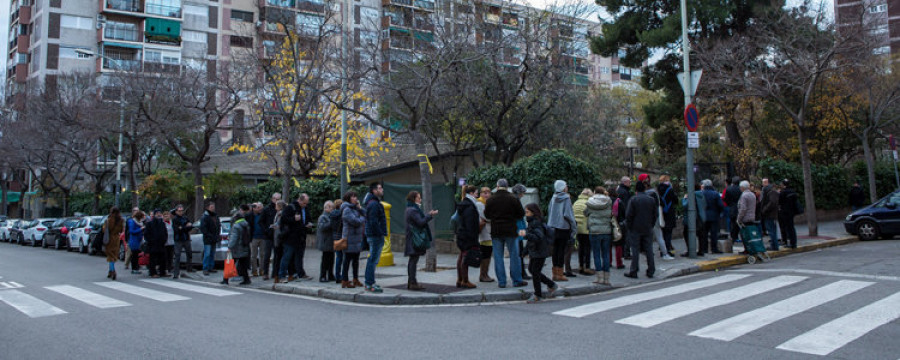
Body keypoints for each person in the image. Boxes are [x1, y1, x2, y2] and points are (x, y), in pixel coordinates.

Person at [484, 179, 527, 288]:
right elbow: (521, 214)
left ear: (497, 187)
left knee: (498, 257)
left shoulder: (491, 199)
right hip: (511, 230)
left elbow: (487, 215)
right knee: (514, 256)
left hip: (496, 231)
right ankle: (517, 280)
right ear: (507, 187)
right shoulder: (513, 198)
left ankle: (502, 282)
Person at [523, 203, 558, 303]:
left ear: (533, 212)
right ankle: (551, 284)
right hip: (536, 251)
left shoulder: (536, 223)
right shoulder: (532, 222)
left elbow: (539, 237)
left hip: (539, 251)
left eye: (527, 212)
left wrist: (526, 235)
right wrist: (525, 251)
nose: (526, 214)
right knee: (532, 270)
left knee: (535, 272)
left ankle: (538, 295)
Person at [624, 181, 658, 279]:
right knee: (649, 249)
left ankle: (634, 270)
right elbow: (655, 214)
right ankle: (651, 270)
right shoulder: (651, 200)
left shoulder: (633, 200)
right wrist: (651, 224)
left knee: (635, 250)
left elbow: (629, 215)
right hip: (647, 227)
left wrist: (629, 227)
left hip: (635, 228)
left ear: (636, 190)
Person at [405, 191, 437, 291]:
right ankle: (412, 282)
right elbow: (420, 222)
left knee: (413, 260)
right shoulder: (413, 210)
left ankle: (412, 281)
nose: (420, 199)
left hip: (412, 237)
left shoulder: (410, 209)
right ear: (414, 199)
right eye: (419, 198)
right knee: (413, 260)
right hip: (415, 239)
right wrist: (429, 215)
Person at [584, 187, 613, 285]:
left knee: (596, 254)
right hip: (606, 231)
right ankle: (606, 279)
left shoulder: (590, 202)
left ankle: (599, 278)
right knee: (605, 254)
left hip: (594, 231)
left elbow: (585, 213)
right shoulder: (608, 201)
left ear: (595, 192)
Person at [362, 183, 388, 293]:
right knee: (373, 259)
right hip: (375, 236)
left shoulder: (373, 203)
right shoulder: (374, 204)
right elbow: (373, 221)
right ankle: (369, 283)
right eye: (379, 188)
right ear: (374, 190)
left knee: (373, 259)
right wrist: (380, 233)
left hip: (374, 235)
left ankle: (369, 282)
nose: (382, 190)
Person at [280, 195, 310, 282]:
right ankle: (281, 275)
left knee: (299, 257)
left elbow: (306, 219)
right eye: (304, 203)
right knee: (287, 256)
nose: (305, 205)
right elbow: (283, 219)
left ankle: (300, 273)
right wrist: (294, 218)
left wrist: (308, 224)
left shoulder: (305, 208)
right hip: (290, 237)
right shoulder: (290, 207)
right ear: (299, 200)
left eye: (306, 203)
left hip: (301, 236)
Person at [455, 186, 481, 289]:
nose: (477, 195)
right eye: (476, 193)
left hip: (461, 234)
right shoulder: (470, 206)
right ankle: (465, 281)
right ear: (471, 193)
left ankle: (459, 279)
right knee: (465, 257)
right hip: (467, 235)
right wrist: (473, 237)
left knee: (461, 256)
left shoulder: (464, 204)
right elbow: (470, 223)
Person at [340, 191, 366, 288]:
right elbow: (355, 221)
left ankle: (355, 279)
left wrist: (360, 208)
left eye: (356, 197)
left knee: (356, 260)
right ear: (349, 198)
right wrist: (362, 218)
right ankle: (345, 280)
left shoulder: (355, 208)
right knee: (347, 260)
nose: (356, 199)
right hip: (349, 239)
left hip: (357, 239)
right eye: (353, 197)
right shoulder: (346, 209)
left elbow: (365, 215)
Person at [225, 211, 252, 285]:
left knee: (229, 262)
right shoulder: (246, 225)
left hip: (236, 248)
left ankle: (225, 279)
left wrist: (229, 247)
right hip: (244, 246)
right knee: (243, 264)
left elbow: (234, 238)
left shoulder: (236, 226)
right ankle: (246, 279)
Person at [681, 183, 708, 257]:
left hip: (691, 218)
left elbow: (685, 205)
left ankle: (690, 250)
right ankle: (701, 250)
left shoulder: (691, 195)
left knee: (686, 234)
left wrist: (684, 198)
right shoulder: (701, 195)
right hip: (701, 217)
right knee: (700, 235)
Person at [573, 188, 594, 276]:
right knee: (587, 248)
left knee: (580, 247)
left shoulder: (576, 202)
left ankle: (580, 265)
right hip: (586, 228)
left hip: (577, 228)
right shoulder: (589, 203)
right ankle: (587, 267)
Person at [260, 193, 281, 281]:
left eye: (279, 199)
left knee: (277, 255)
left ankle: (275, 273)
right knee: (267, 255)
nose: (277, 201)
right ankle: (265, 273)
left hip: (277, 235)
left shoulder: (280, 210)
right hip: (268, 236)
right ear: (272, 199)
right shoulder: (266, 209)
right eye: (276, 199)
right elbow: (261, 222)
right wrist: (266, 230)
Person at [511, 184, 531, 280]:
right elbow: (520, 216)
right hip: (518, 229)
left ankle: (521, 272)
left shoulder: (513, 200)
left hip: (518, 229)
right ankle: (521, 273)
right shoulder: (516, 201)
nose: (523, 195)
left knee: (519, 251)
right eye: (522, 193)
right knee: (519, 252)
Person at [475, 187, 494, 283]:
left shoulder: (487, 204)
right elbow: (487, 217)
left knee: (487, 254)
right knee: (486, 255)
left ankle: (485, 274)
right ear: (480, 194)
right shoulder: (479, 204)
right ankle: (483, 275)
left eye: (488, 193)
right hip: (484, 233)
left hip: (488, 232)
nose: (486, 195)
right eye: (484, 193)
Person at [702, 180, 725, 254]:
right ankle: (714, 248)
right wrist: (719, 212)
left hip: (704, 216)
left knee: (704, 234)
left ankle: (704, 248)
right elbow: (721, 205)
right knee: (714, 233)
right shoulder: (715, 194)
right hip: (714, 215)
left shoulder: (701, 193)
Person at [657, 175, 678, 257]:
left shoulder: (658, 190)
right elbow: (675, 201)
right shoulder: (670, 189)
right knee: (668, 233)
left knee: (662, 232)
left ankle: (662, 250)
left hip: (661, 212)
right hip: (669, 212)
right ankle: (667, 250)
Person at [171, 205, 193, 279]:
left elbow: (190, 226)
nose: (181, 212)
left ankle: (189, 268)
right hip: (178, 239)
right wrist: (185, 227)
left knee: (189, 253)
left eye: (182, 211)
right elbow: (177, 230)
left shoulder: (185, 218)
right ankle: (176, 272)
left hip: (186, 238)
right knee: (177, 256)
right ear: (176, 211)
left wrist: (183, 227)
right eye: (179, 211)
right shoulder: (175, 220)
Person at [145, 209, 169, 278]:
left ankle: (162, 272)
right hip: (153, 244)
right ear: (154, 215)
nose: (159, 215)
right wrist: (151, 241)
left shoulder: (162, 223)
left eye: (160, 213)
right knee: (153, 259)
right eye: (157, 213)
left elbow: (165, 233)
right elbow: (146, 234)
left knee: (163, 259)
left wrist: (164, 240)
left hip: (161, 244)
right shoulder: (150, 223)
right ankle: (153, 272)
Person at [316, 201, 336, 283]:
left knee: (331, 259)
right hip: (325, 241)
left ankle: (330, 274)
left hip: (330, 241)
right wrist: (331, 222)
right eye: (331, 207)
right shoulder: (323, 217)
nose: (333, 209)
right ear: (327, 207)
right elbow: (322, 227)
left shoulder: (330, 216)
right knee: (325, 260)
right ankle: (323, 276)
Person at [200, 201, 221, 276]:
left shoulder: (215, 216)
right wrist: (209, 235)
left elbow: (218, 226)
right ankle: (205, 268)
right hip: (208, 238)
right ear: (207, 207)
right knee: (207, 253)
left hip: (214, 238)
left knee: (212, 253)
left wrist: (217, 235)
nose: (213, 208)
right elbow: (203, 228)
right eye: (211, 207)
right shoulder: (205, 217)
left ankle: (210, 267)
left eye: (213, 207)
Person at [103, 207, 124, 280]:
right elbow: (121, 230)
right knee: (114, 254)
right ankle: (110, 271)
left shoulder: (109, 219)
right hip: (117, 239)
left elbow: (105, 229)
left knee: (110, 256)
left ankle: (113, 271)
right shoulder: (121, 220)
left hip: (109, 239)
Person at [778, 179, 800, 249]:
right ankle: (794, 243)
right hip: (792, 212)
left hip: (785, 212)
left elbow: (779, 202)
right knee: (792, 227)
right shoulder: (793, 191)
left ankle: (790, 243)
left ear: (783, 185)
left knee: (787, 228)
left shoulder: (783, 193)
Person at [737, 181, 758, 249]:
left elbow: (743, 208)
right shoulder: (752, 194)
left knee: (745, 235)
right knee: (751, 234)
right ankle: (753, 247)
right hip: (752, 216)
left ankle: (747, 249)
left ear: (742, 187)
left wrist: (739, 219)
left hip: (745, 218)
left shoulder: (744, 195)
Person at [760, 179, 780, 250]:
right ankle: (774, 245)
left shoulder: (770, 192)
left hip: (769, 214)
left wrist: (764, 209)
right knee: (772, 230)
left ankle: (774, 246)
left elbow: (772, 202)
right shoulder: (768, 191)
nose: (763, 184)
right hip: (769, 214)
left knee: (771, 230)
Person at [616, 176, 633, 259]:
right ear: (625, 182)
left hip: (619, 217)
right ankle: (626, 253)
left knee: (622, 236)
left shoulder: (619, 190)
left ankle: (623, 252)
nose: (630, 184)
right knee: (627, 236)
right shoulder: (625, 192)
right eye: (629, 182)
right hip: (624, 217)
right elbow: (627, 205)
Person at [271, 200, 287, 284]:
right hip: (279, 238)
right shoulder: (279, 214)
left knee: (278, 258)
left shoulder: (279, 214)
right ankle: (278, 275)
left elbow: (278, 226)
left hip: (278, 238)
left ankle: (276, 275)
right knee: (279, 257)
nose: (275, 207)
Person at [248, 203, 266, 277]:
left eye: (260, 207)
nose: (259, 209)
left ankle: (262, 270)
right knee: (253, 255)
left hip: (263, 237)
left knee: (263, 255)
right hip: (254, 237)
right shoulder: (250, 216)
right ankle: (254, 271)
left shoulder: (263, 215)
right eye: (257, 207)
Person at [127, 210, 146, 275]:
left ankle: (136, 268)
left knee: (137, 255)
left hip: (138, 240)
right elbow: (132, 231)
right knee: (134, 255)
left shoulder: (139, 222)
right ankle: (134, 268)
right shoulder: (132, 222)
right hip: (134, 241)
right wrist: (140, 229)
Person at [330, 199, 344, 284]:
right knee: (343, 257)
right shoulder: (342, 214)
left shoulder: (332, 214)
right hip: (342, 236)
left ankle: (337, 275)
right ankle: (341, 276)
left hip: (335, 236)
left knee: (338, 257)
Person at [724, 176, 742, 242]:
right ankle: (737, 235)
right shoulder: (741, 189)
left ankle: (733, 236)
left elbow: (726, 199)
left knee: (732, 222)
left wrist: (729, 204)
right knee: (738, 222)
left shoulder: (728, 189)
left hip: (732, 207)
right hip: (739, 207)